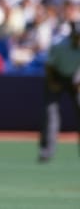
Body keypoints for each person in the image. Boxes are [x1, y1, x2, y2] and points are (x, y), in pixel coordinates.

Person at [38, 21, 80, 163]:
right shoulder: (59, 45)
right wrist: (52, 83)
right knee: (51, 113)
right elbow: (49, 65)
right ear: (72, 35)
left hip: (75, 78)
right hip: (56, 76)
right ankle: (46, 151)